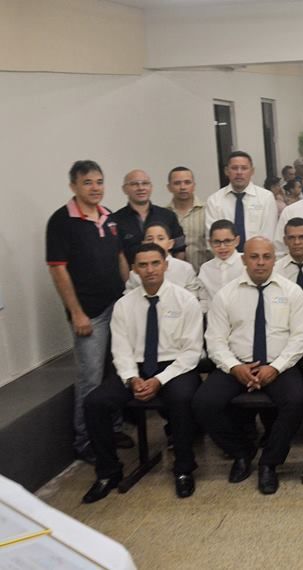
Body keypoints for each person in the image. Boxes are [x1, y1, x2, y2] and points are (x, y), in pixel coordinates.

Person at [81, 243, 203, 503]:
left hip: (175, 367)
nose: (150, 270)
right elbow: (121, 349)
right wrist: (131, 378)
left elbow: (191, 352)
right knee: (94, 403)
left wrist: (159, 380)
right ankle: (108, 472)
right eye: (143, 265)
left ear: (165, 265)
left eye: (155, 263)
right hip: (135, 368)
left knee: (181, 398)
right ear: (134, 270)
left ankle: (184, 469)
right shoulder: (124, 305)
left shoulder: (186, 300)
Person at [193, 237, 303, 495]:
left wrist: (276, 367)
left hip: (279, 365)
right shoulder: (226, 294)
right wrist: (234, 367)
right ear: (244, 259)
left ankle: (270, 462)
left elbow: (301, 337)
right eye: (254, 257)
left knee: (296, 401)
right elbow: (215, 340)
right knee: (203, 403)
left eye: (266, 257)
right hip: (236, 365)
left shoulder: (291, 292)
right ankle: (241, 452)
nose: (260, 262)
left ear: (274, 259)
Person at [47, 160, 129, 464]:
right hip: (89, 313)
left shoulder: (108, 217)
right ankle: (86, 440)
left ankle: (113, 429)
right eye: (87, 183)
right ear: (73, 186)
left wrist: (130, 296)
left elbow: (120, 258)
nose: (95, 188)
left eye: (99, 182)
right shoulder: (61, 221)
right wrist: (76, 312)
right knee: (91, 378)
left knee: (116, 371)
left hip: (117, 307)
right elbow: (58, 270)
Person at [204, 151, 278, 252]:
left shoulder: (266, 197)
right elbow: (212, 237)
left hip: (258, 257)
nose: (239, 172)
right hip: (225, 258)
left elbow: (268, 234)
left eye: (244, 168)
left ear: (252, 171)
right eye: (234, 168)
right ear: (226, 171)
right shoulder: (214, 200)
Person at [110, 169, 185, 264]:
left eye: (145, 183)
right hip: (131, 272)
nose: (141, 188)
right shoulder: (115, 220)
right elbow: (118, 255)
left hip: (167, 272)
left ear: (151, 187)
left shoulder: (168, 215)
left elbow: (179, 249)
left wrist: (175, 270)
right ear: (124, 189)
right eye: (134, 184)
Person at [127, 222, 205, 306]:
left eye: (160, 239)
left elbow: (193, 299)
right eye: (149, 239)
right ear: (143, 243)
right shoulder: (135, 273)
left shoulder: (185, 268)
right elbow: (129, 300)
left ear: (170, 244)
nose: (155, 242)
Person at [166, 166, 211, 273]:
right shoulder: (163, 215)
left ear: (194, 185)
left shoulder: (208, 211)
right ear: (169, 187)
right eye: (177, 183)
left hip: (204, 274)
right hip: (173, 275)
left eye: (187, 182)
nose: (183, 187)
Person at [198, 220, 245, 306]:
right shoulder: (206, 268)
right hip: (214, 313)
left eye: (227, 241)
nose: (222, 247)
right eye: (217, 242)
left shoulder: (246, 263)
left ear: (236, 241)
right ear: (210, 243)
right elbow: (204, 299)